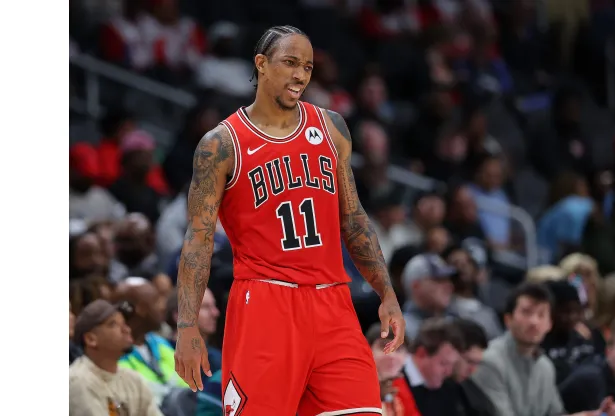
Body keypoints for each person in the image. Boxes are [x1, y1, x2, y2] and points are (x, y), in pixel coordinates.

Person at [174, 25, 405, 416]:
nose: (300, 75)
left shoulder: (331, 128)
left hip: (333, 300)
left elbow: (353, 219)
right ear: (261, 64)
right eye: (290, 63)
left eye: (308, 67)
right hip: (266, 303)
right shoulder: (221, 144)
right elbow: (198, 240)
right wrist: (187, 326)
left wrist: (387, 292)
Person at [471, 282, 615, 416]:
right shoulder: (489, 361)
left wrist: (592, 415)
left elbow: (556, 413)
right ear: (508, 319)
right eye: (526, 312)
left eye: (541, 314)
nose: (534, 321)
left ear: (549, 323)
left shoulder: (545, 366)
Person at [69, 299, 162, 416]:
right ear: (91, 339)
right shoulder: (78, 382)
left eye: (124, 323)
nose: (126, 330)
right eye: (113, 324)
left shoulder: (133, 379)